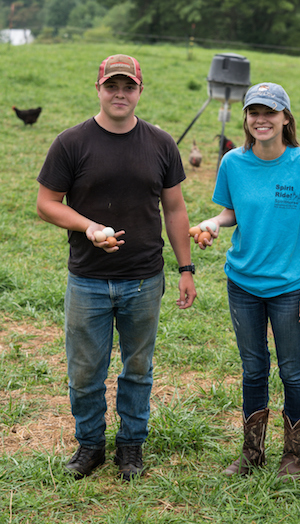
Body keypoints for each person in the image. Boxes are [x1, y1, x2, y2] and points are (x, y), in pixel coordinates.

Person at [36, 54, 197, 481]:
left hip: (144, 278)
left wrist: (186, 268)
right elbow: (46, 204)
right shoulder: (72, 142)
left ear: (140, 91)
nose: (120, 93)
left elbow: (175, 208)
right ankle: (90, 445)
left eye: (129, 86)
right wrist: (89, 227)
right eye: (113, 86)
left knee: (137, 368)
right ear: (99, 88)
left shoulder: (161, 143)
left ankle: (131, 446)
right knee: (86, 370)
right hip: (87, 278)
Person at [194, 82, 300, 480]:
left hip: (291, 287)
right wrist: (212, 222)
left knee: (293, 370)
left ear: (285, 118)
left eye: (270, 113)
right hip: (242, 283)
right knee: (254, 368)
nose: (262, 120)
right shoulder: (232, 163)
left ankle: (292, 457)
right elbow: (230, 212)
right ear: (246, 118)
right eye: (254, 112)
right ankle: (252, 453)